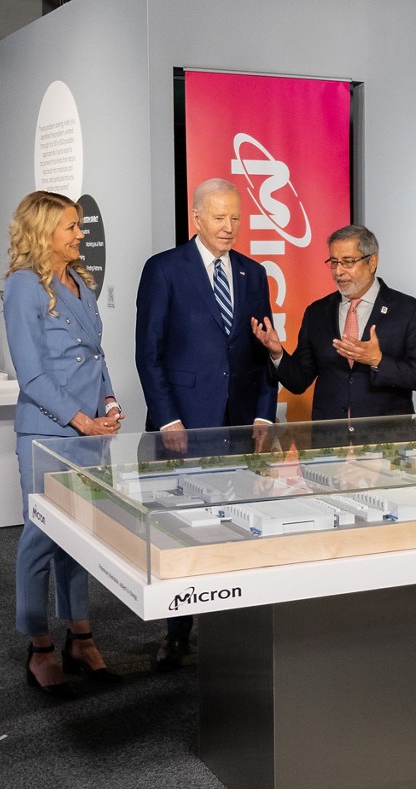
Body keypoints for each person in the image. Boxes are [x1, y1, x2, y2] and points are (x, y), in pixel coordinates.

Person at [135, 177, 278, 670]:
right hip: (183, 427)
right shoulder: (163, 269)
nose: (229, 226)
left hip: (239, 425)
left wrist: (264, 412)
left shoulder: (254, 273)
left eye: (236, 217)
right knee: (181, 529)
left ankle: (232, 631)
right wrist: (168, 418)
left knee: (235, 526)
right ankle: (177, 633)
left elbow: (264, 348)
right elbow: (148, 353)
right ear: (196, 217)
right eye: (219, 217)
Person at [3, 191, 124, 696]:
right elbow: (31, 375)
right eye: (71, 226)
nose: (80, 233)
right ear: (43, 231)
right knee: (42, 536)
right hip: (49, 432)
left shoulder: (80, 282)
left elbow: (96, 356)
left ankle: (81, 636)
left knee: (80, 537)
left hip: (90, 429)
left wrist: (109, 401)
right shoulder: (23, 286)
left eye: (79, 225)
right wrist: (81, 421)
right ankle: (39, 646)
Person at [251, 224, 416, 446]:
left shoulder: (408, 310)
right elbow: (299, 381)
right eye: (334, 262)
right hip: (329, 444)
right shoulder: (317, 312)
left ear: (372, 262)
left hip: (386, 445)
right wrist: (277, 353)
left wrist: (377, 360)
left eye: (348, 262)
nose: (338, 272)